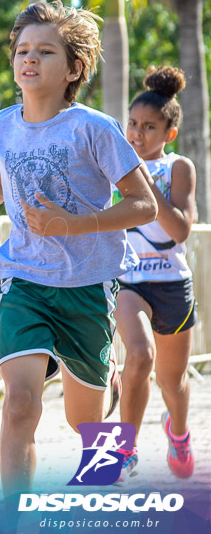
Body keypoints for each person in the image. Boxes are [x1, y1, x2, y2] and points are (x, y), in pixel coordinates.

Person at [0, 1, 157, 500]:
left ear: (74, 68)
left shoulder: (94, 128)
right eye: (22, 50)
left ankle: (108, 433)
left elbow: (144, 205)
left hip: (86, 285)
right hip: (24, 279)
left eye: (45, 51)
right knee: (20, 405)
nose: (29, 59)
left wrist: (74, 225)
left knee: (85, 425)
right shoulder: (0, 128)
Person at [115, 66, 198, 484]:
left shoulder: (177, 168)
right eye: (132, 123)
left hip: (172, 285)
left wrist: (147, 185)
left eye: (149, 127)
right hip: (129, 282)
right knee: (139, 355)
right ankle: (123, 450)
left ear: (168, 134)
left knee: (172, 380)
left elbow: (181, 229)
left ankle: (178, 433)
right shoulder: (114, 167)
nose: (137, 133)